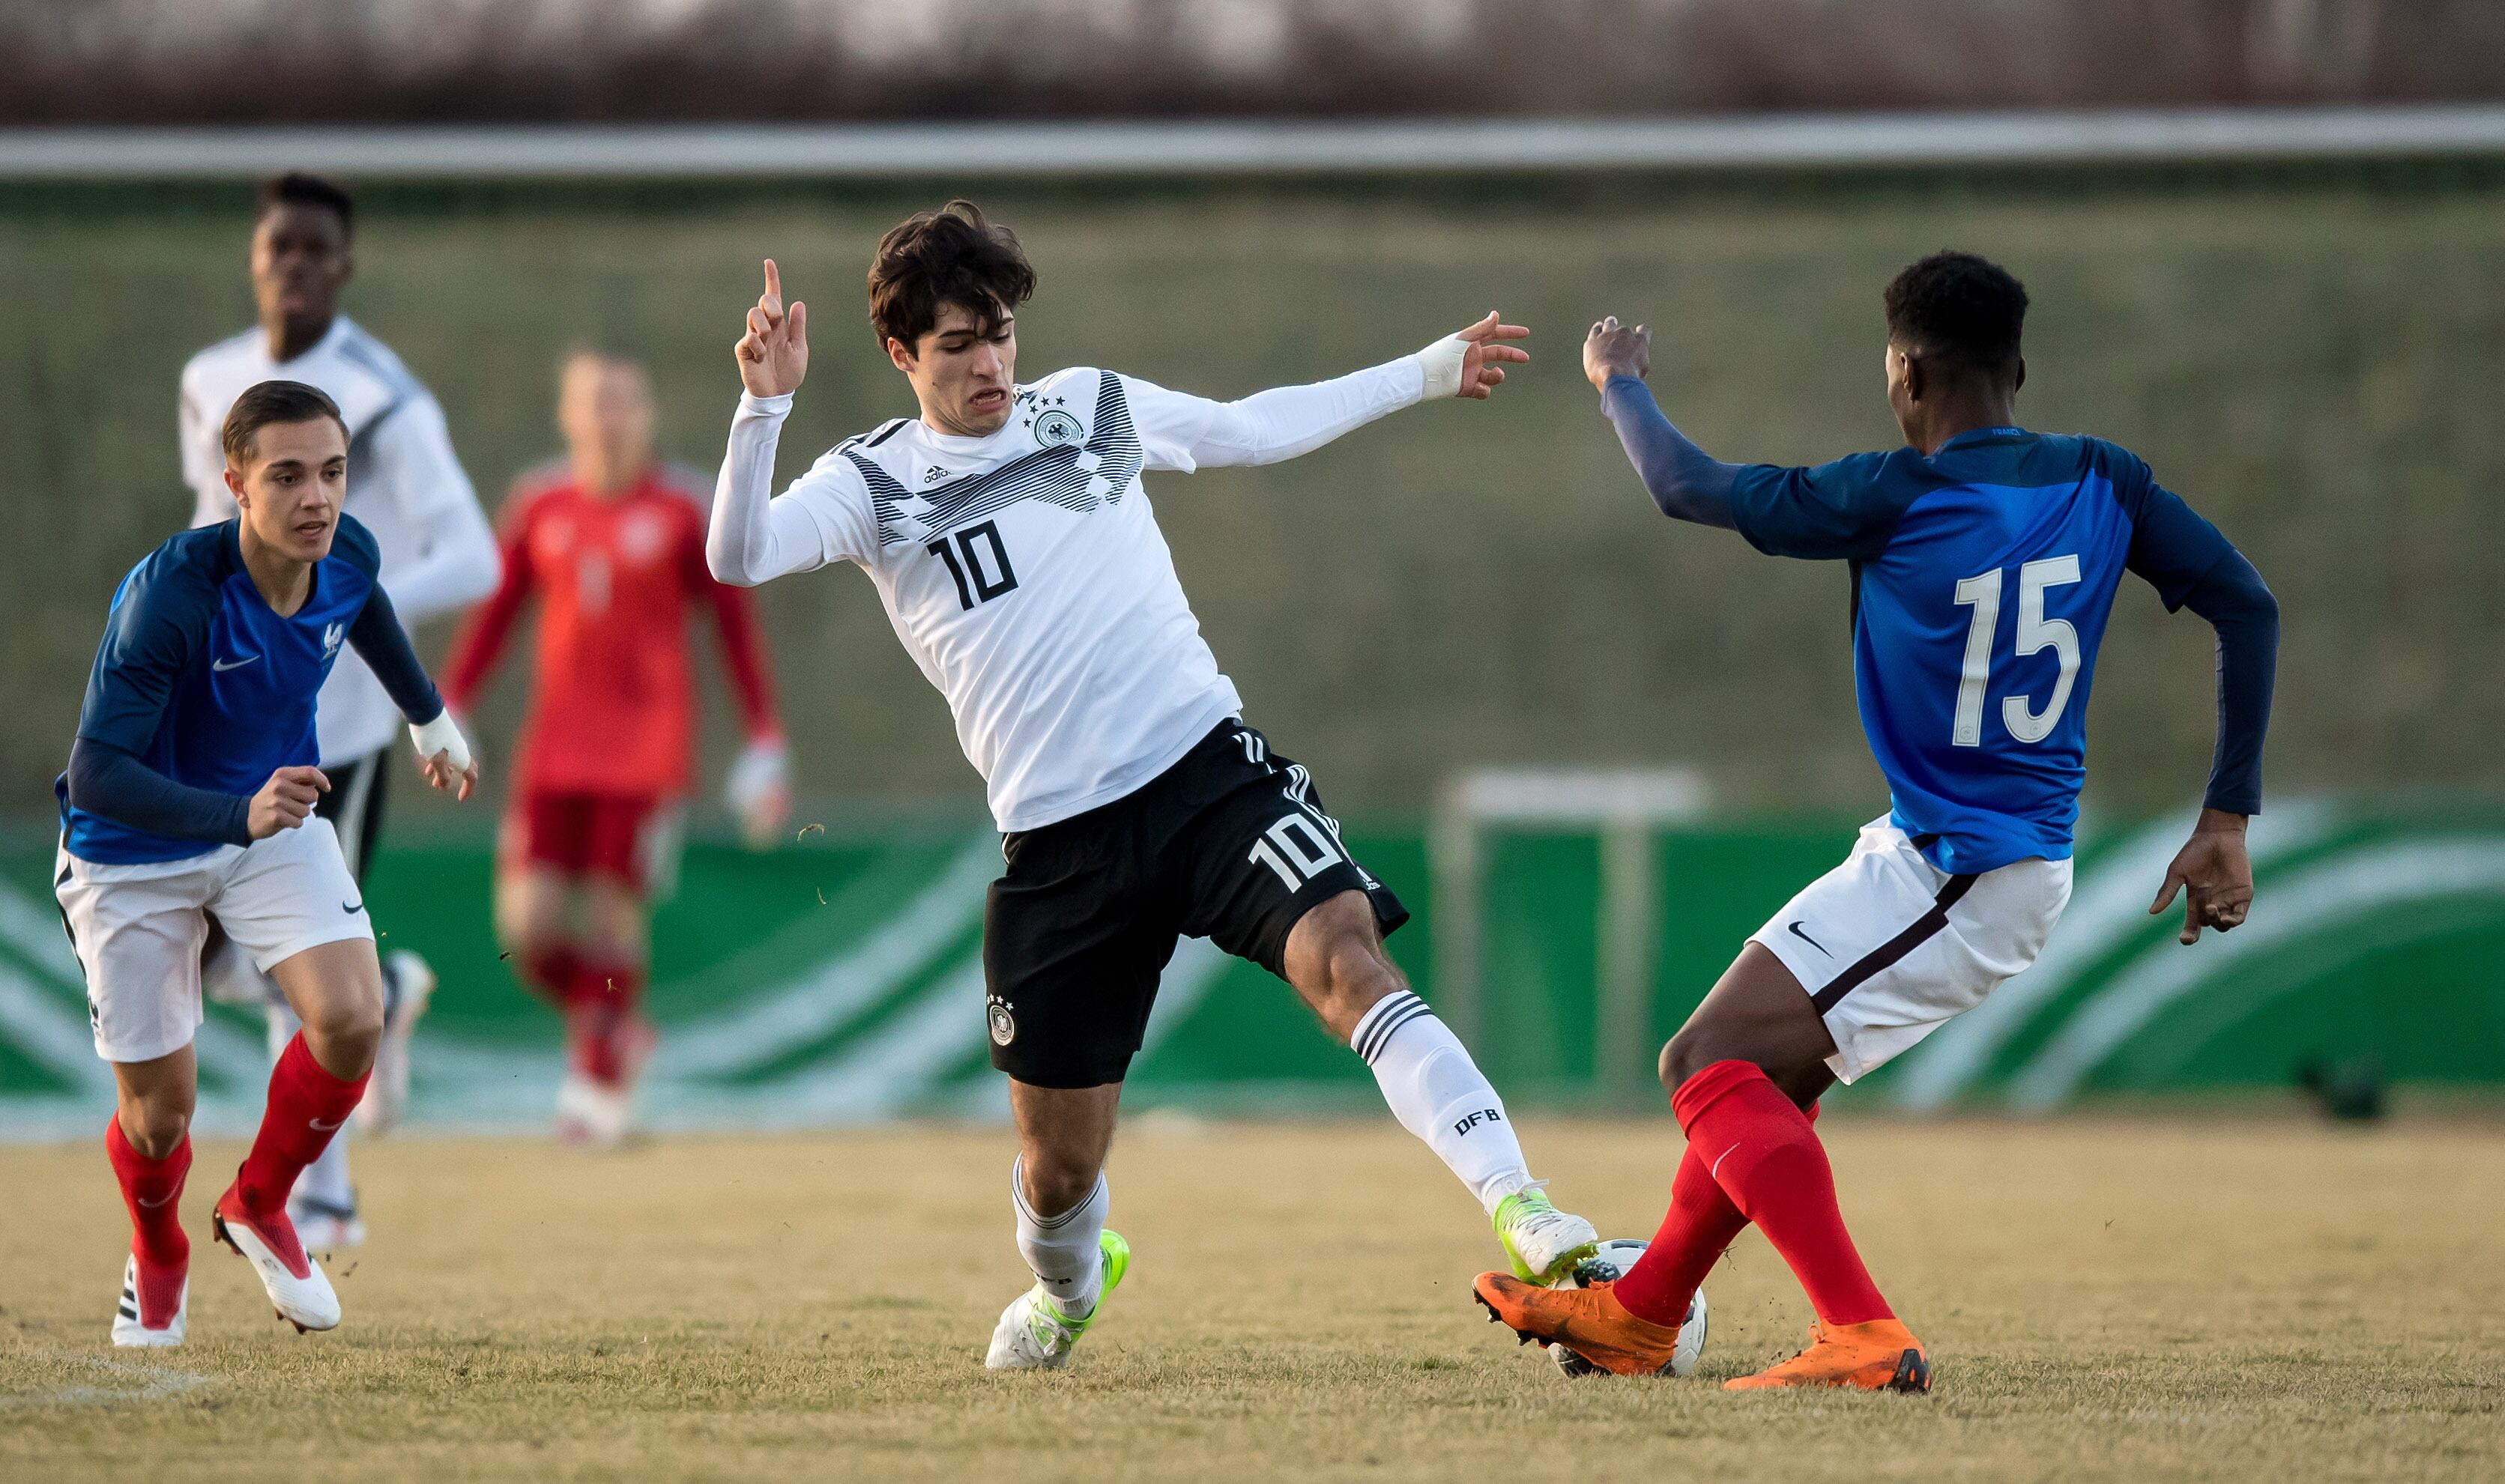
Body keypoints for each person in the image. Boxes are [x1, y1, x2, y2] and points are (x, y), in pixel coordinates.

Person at [707, 201, 1599, 1370]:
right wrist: (762, 404)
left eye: (1000, 334)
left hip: (1202, 774)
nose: (989, 365)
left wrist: (1426, 370)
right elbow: (736, 555)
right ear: (898, 353)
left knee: (1345, 957)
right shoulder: (873, 484)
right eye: (956, 345)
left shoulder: (1087, 410)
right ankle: (1070, 1288)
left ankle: (1523, 1206)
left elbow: (1250, 428)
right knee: (1057, 1171)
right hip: (1057, 846)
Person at [1472, 252, 2280, 1392]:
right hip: (1940, 855)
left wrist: (1618, 380)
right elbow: (2245, 602)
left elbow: (1683, 486)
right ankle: (1641, 1312)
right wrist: (2225, 814)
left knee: (1700, 1059)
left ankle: (1856, 1326)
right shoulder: (2106, 480)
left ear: (1904, 374)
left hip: (1965, 870)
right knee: (1759, 1082)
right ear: (2016, 368)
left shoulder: (1892, 491)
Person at [57, 381, 480, 1347]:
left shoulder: (346, 550)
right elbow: (95, 776)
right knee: (160, 1117)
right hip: (132, 850)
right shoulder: (177, 593)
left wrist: (428, 715)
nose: (316, 499)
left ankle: (257, 1201)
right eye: (286, 477)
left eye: (330, 473)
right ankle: (159, 1250)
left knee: (352, 1018)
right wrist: (233, 815)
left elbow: (363, 604)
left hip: (271, 819)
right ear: (234, 486)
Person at [180, 172, 500, 1250]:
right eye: (282, 248)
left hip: (343, 720)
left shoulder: (383, 394)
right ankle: (395, 985)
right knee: (206, 951)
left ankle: (323, 1196)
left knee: (298, 947)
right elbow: (214, 521)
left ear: (344, 265)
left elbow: (474, 552)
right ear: (256, 255)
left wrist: (336, 615)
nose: (297, 268)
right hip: (225, 703)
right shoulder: (210, 378)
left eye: (319, 251)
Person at [439, 349, 789, 1147]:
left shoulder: (682, 508)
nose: (609, 417)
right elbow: (495, 612)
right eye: (593, 401)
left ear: (649, 413)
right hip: (553, 750)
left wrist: (763, 739)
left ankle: (597, 1086)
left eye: (624, 401)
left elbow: (736, 630)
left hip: (644, 752)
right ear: (567, 415)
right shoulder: (539, 504)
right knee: (527, 927)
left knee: (608, 919)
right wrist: (448, 702)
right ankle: (614, 1033)